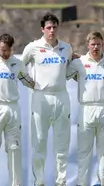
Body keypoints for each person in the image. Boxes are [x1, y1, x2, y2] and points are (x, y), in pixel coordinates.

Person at [17, 13, 75, 186]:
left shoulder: (66, 48)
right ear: (42, 29)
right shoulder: (33, 47)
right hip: (41, 97)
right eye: (48, 28)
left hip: (61, 96)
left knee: (62, 143)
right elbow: (19, 67)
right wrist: (29, 83)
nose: (52, 30)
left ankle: (61, 181)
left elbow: (72, 64)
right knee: (40, 141)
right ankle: (39, 181)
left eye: (54, 27)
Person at [0, 34, 35, 186]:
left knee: (14, 147)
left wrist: (42, 83)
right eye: (3, 50)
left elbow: (28, 81)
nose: (5, 53)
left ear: (12, 48)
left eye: (8, 50)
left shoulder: (17, 63)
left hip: (13, 108)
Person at [66, 31, 104, 186]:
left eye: (98, 44)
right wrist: (68, 58)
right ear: (87, 45)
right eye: (92, 44)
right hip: (86, 109)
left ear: (102, 44)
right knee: (84, 151)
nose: (95, 47)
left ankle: (103, 182)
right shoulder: (79, 63)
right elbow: (64, 75)